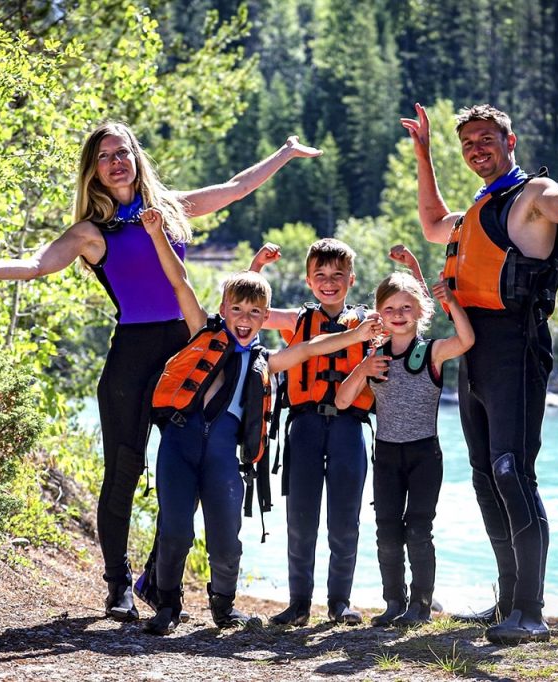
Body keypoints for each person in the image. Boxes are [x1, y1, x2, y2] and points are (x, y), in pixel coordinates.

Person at [0, 121, 322, 622]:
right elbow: (35, 265)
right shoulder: (91, 232)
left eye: (123, 152)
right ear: (93, 170)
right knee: (123, 475)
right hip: (131, 359)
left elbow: (237, 187)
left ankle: (155, 577)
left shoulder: (167, 209)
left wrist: (284, 152)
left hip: (185, 351)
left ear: (136, 158)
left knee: (193, 464)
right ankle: (118, 587)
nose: (116, 161)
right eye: (105, 156)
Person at [400, 102, 558, 644]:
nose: (476, 149)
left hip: (517, 347)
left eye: (486, 138)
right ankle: (507, 602)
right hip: (474, 350)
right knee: (486, 476)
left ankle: (530, 612)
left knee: (513, 472)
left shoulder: (533, 195)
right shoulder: (482, 206)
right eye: (468, 144)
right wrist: (424, 153)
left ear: (511, 141)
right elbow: (434, 224)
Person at [139, 209, 382, 635]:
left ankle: (223, 607)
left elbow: (309, 349)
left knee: (227, 538)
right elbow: (180, 283)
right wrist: (158, 234)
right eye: (238, 311)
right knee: (175, 529)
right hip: (180, 444)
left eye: (256, 314)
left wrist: (355, 337)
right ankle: (168, 606)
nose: (246, 320)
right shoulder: (203, 331)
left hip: (222, 456)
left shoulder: (266, 360)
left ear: (264, 317)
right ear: (224, 310)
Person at [336, 245, 474, 627]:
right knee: (387, 532)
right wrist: (363, 368)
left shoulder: (430, 353)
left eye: (407, 308)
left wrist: (451, 303)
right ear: (379, 314)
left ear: (420, 312)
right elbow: (343, 400)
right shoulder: (374, 356)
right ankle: (394, 602)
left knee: (418, 529)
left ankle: (421, 605)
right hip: (387, 456)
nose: (398, 316)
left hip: (424, 455)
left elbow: (465, 341)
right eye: (390, 309)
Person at [249, 238, 375, 626]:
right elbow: (249, 310)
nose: (329, 282)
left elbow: (413, 315)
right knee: (301, 518)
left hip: (349, 427)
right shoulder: (297, 321)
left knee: (344, 520)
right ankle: (299, 603)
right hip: (303, 427)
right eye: (320, 275)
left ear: (351, 280)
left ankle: (339, 602)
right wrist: (257, 266)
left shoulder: (369, 324)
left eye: (338, 275)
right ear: (308, 280)